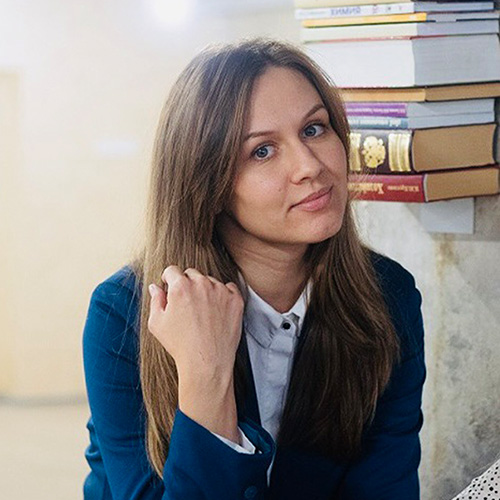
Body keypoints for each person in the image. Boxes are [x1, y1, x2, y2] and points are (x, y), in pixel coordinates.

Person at [82, 38, 426, 500]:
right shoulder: (123, 313)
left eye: (314, 129)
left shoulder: (387, 295)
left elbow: (384, 490)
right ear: (208, 184)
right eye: (262, 151)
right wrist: (206, 376)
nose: (309, 166)